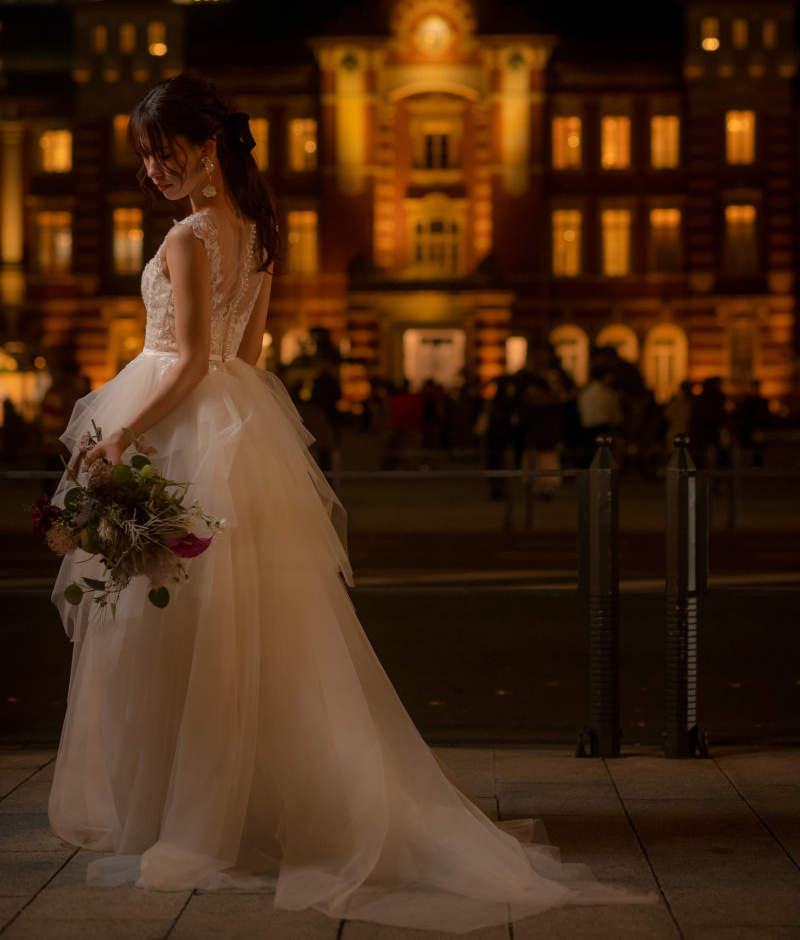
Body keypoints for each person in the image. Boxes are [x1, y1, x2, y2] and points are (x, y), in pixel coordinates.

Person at [48, 72, 652, 931]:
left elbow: (184, 362)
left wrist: (116, 438)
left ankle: (178, 816)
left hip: (178, 423)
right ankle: (233, 806)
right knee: (252, 632)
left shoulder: (187, 237)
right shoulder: (257, 231)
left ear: (205, 146)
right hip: (237, 429)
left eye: (164, 152)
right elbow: (246, 355)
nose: (153, 170)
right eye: (146, 157)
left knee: (166, 632)